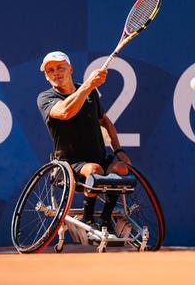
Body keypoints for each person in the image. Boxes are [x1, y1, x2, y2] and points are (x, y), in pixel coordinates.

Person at [36, 51, 132, 234]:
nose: (55, 72)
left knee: (121, 168)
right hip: (69, 165)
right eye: (50, 70)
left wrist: (118, 149)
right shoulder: (45, 98)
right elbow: (65, 112)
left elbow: (104, 121)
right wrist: (88, 85)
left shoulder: (90, 93)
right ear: (46, 76)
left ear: (70, 69)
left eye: (60, 68)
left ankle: (105, 217)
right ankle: (88, 218)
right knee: (94, 169)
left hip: (99, 158)